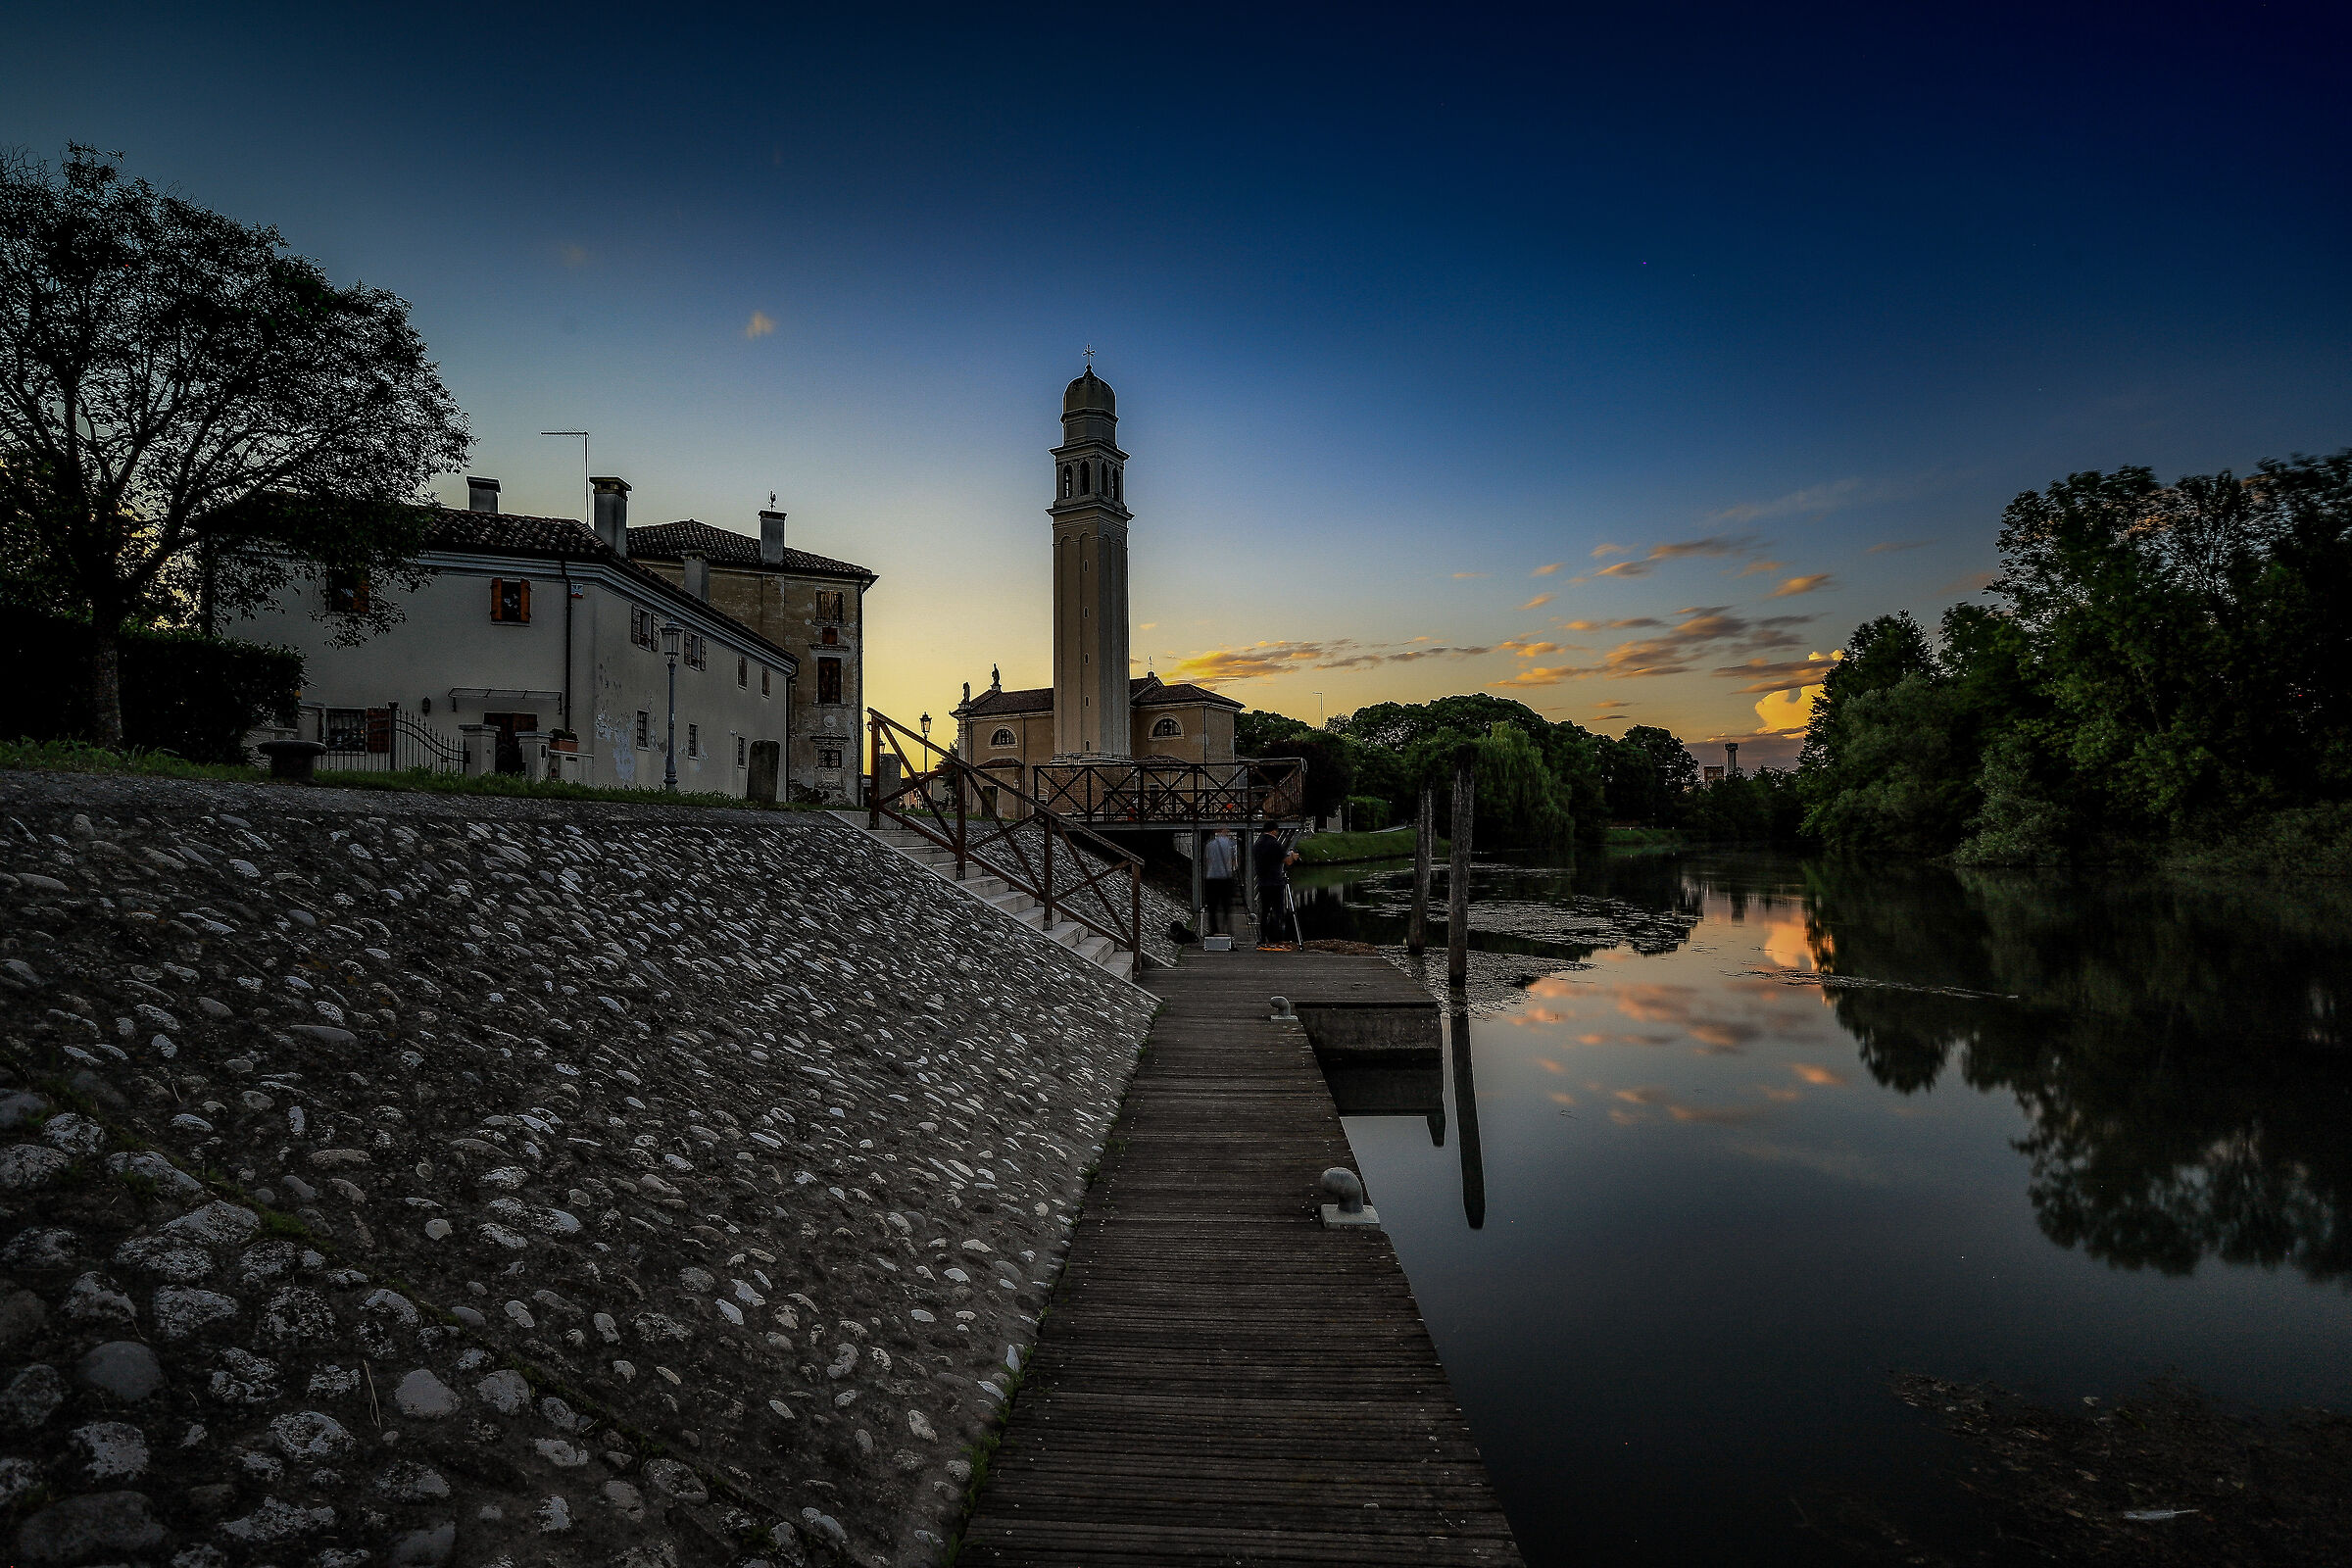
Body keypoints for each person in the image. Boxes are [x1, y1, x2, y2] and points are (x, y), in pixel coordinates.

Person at [1251, 821, 1300, 950]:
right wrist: (1293, 856)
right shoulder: (1275, 844)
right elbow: (1287, 862)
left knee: (1265, 911)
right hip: (1275, 882)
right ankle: (1277, 938)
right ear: (1274, 831)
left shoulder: (1257, 844)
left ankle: (1262, 939)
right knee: (1278, 911)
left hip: (1262, 882)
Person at [1200, 828, 1239, 937]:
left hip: (1212, 878)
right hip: (1225, 878)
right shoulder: (1231, 845)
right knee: (1227, 905)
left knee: (1212, 906)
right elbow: (1234, 863)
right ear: (1226, 833)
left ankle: (1214, 930)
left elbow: (1207, 861)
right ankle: (1227, 929)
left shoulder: (1209, 845)